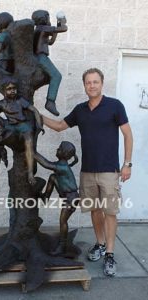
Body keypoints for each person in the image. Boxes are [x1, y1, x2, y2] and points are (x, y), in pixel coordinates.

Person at [41, 68, 133, 276]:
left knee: (109, 212)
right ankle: (100, 244)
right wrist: (37, 115)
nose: (92, 85)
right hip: (87, 171)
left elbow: (128, 135)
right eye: (88, 83)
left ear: (102, 84)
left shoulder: (115, 106)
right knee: (94, 210)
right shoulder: (80, 110)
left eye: (95, 82)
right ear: (85, 85)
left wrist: (127, 164)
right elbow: (58, 126)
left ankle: (109, 253)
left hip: (109, 171)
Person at [0, 77, 44, 186]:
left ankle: (30, 173)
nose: (12, 91)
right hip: (10, 126)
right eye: (9, 89)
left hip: (24, 126)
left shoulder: (20, 100)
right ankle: (0, 129)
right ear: (4, 91)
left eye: (14, 88)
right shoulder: (1, 104)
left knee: (29, 146)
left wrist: (39, 124)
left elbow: (34, 111)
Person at [34, 141, 79, 255]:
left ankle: (62, 246)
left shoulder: (62, 167)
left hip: (71, 198)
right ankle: (45, 197)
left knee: (63, 221)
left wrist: (32, 152)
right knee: (53, 177)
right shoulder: (63, 165)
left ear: (64, 153)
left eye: (59, 149)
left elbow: (46, 164)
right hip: (67, 195)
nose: (56, 150)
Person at [32, 10, 67, 116]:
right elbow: (64, 28)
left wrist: (55, 28)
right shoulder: (43, 28)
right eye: (48, 17)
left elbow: (51, 42)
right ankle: (50, 101)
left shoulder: (39, 30)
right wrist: (62, 22)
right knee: (57, 76)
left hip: (38, 57)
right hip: (40, 57)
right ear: (44, 19)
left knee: (51, 76)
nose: (49, 20)